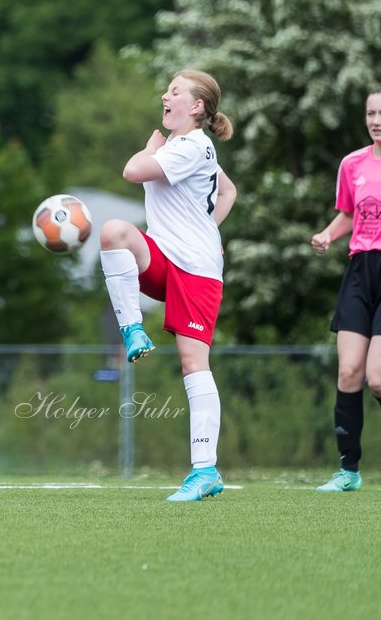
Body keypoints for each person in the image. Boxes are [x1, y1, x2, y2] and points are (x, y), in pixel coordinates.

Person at [98, 70, 237, 502]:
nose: (165, 95)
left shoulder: (193, 144)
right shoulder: (189, 146)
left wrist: (150, 148)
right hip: (167, 257)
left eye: (175, 91)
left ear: (196, 107)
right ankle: (131, 329)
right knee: (114, 232)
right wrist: (205, 226)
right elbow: (228, 189)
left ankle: (205, 471)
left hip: (195, 271)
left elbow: (131, 170)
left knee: (193, 364)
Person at [310, 86, 381, 494]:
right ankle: (349, 471)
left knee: (377, 376)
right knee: (349, 371)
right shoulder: (352, 163)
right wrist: (326, 235)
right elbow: (349, 215)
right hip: (360, 270)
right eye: (371, 113)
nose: (376, 120)